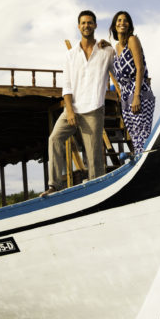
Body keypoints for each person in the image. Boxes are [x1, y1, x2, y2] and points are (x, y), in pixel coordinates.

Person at [42, 10, 115, 196]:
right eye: (83, 23)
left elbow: (119, 71)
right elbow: (66, 86)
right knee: (54, 138)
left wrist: (113, 45)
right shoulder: (70, 55)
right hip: (73, 108)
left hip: (94, 109)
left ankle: (96, 187)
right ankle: (54, 185)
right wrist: (70, 110)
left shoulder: (106, 51)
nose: (86, 26)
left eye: (90, 22)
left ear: (95, 25)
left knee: (94, 156)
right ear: (78, 26)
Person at [110, 11, 155, 154]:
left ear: (129, 24)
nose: (122, 23)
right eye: (119, 20)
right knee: (134, 133)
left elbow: (140, 68)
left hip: (138, 91)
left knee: (142, 132)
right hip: (125, 95)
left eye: (125, 20)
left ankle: (145, 163)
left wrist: (137, 96)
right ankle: (139, 159)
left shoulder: (132, 40)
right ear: (114, 25)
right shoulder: (116, 47)